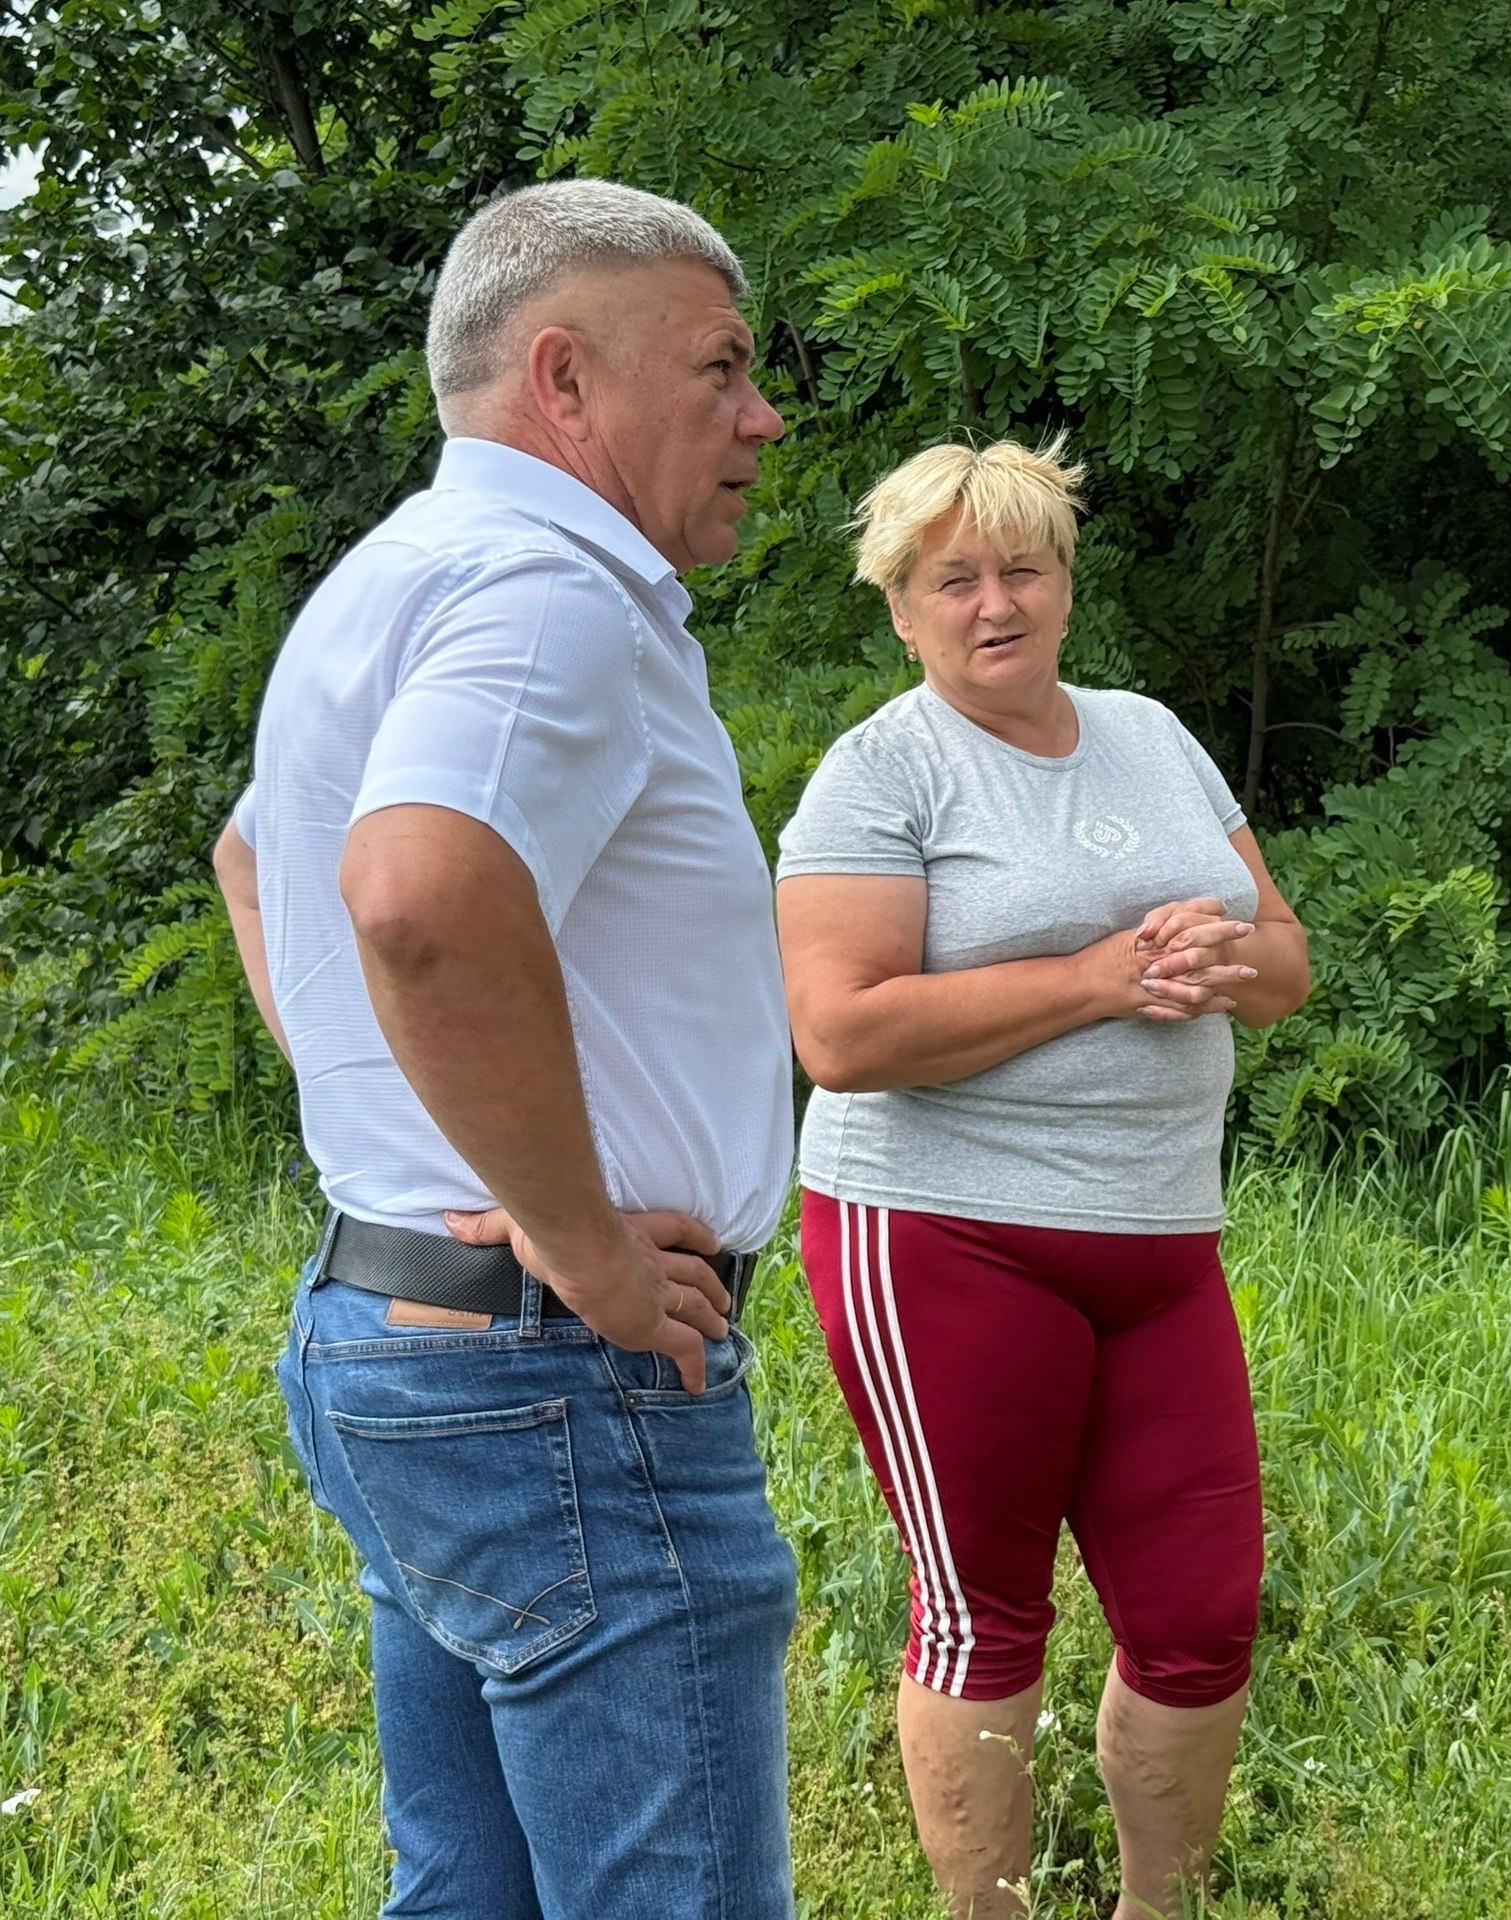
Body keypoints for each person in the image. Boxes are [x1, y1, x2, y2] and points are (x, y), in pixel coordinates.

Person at [211, 180, 800, 1919]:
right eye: (721, 368)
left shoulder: (394, 576)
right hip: (557, 1377)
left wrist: (407, 1126)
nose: (762, 416)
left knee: (465, 1892)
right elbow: (414, 898)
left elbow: (261, 864)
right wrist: (577, 1238)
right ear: (565, 379)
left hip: (408, 1348)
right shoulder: (554, 597)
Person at [773, 436, 1312, 1920]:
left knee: (1204, 1615)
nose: (994, 603)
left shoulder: (1149, 734)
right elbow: (840, 1032)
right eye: (955, 580)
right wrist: (1091, 979)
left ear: (1067, 583)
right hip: (945, 1238)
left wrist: (1226, 960)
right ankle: (986, 1911)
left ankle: (1163, 1906)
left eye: (1023, 568)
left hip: (1156, 1239)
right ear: (901, 609)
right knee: (983, 1614)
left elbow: (1285, 964)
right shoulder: (882, 773)